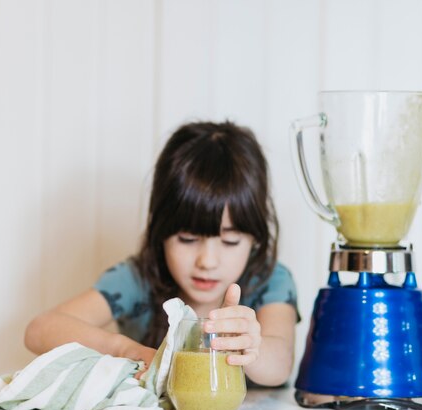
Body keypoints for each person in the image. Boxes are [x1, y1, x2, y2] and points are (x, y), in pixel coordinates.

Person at [24, 121, 299, 387]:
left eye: (230, 241)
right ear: (161, 232)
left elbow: (280, 365)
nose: (207, 261)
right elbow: (39, 330)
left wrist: (253, 346)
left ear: (255, 239)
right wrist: (122, 348)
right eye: (187, 238)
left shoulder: (270, 279)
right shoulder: (138, 278)